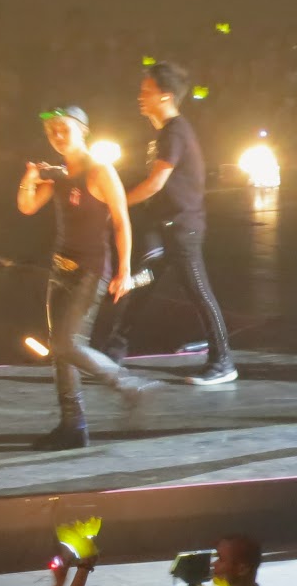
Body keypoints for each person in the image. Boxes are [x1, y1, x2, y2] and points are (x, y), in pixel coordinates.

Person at [17, 105, 155, 451]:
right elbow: (27, 206)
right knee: (60, 351)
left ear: (82, 131)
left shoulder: (100, 170)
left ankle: (128, 385)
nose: (57, 136)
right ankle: (72, 425)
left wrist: (124, 270)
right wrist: (29, 178)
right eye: (51, 131)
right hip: (59, 270)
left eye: (64, 129)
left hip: (90, 271)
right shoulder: (58, 174)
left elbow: (121, 221)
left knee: (68, 343)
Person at [99, 60, 238, 385]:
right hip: (165, 229)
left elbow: (155, 183)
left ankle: (223, 361)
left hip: (182, 229)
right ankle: (114, 351)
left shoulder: (175, 131)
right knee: (142, 284)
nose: (140, 96)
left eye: (146, 91)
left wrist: (118, 202)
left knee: (200, 293)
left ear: (165, 96)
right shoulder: (165, 132)